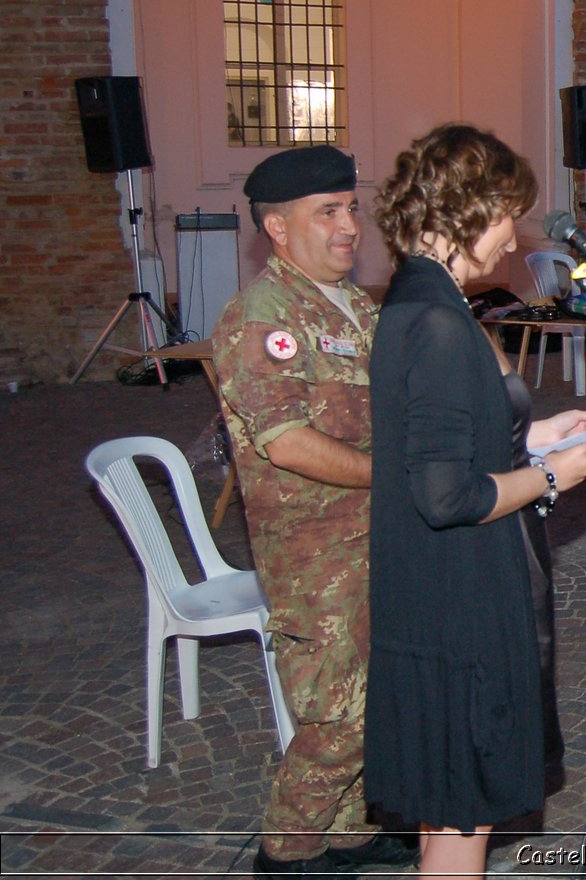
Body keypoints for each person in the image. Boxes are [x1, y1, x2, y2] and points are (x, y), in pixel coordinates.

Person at [363, 124, 586, 876]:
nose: (511, 241)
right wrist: (551, 478)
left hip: (436, 594)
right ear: (465, 210)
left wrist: (533, 433)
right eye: (507, 216)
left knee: (449, 811)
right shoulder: (436, 322)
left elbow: (446, 438)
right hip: (458, 603)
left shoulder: (420, 299)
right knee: (462, 814)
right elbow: (444, 493)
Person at [213, 146, 418, 877]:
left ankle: (351, 830)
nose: (349, 226)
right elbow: (289, 443)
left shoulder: (359, 307)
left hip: (377, 538)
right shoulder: (261, 318)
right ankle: (287, 848)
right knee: (340, 713)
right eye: (327, 212)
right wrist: (393, 478)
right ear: (276, 226)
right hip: (316, 552)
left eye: (351, 209)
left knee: (383, 692)